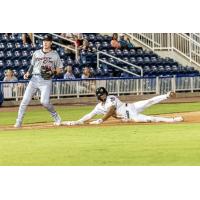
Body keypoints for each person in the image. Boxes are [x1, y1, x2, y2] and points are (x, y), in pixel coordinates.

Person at [62, 87, 183, 126]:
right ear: (98, 96)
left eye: (104, 94)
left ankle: (168, 100)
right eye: (101, 95)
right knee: (148, 108)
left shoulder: (111, 98)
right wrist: (78, 121)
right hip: (128, 110)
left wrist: (101, 120)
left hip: (129, 110)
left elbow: (111, 110)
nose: (103, 96)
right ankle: (172, 118)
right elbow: (90, 115)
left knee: (149, 105)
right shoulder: (99, 106)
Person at [14, 34, 63, 128]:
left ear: (51, 42)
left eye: (47, 41)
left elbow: (60, 69)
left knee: (44, 102)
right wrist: (28, 73)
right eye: (44, 41)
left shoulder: (55, 54)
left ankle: (56, 117)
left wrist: (52, 71)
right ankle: (19, 121)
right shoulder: (36, 53)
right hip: (34, 79)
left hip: (46, 80)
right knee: (24, 101)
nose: (45, 43)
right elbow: (32, 66)